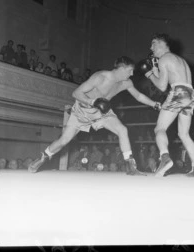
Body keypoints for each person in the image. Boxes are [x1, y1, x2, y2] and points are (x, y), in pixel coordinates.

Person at [28, 56, 161, 175]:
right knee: (64, 140)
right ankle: (42, 158)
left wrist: (155, 104)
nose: (132, 73)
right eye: (130, 70)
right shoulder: (100, 77)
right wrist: (93, 102)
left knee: (123, 130)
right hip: (82, 111)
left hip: (103, 113)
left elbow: (138, 96)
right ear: (121, 68)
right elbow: (76, 93)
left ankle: (130, 166)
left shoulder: (126, 83)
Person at [138, 33, 194, 177]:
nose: (151, 47)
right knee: (184, 134)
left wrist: (149, 74)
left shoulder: (164, 58)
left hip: (178, 91)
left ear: (162, 44)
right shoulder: (180, 60)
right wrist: (155, 69)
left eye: (153, 43)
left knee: (159, 128)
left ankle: (164, 157)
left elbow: (162, 86)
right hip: (190, 94)